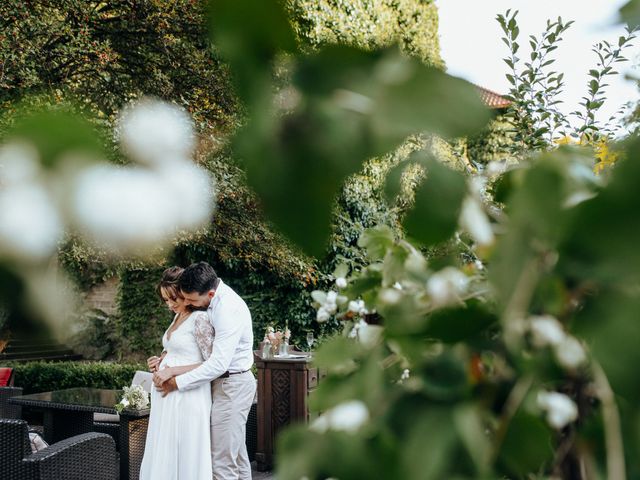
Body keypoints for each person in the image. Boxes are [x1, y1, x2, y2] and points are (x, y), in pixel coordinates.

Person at [155, 261, 256, 480]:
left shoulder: (227, 309)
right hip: (224, 383)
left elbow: (218, 363)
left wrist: (176, 381)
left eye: (191, 300)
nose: (188, 304)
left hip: (232, 385)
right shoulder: (211, 302)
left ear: (209, 293)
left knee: (222, 463)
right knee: (236, 456)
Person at [140, 267, 215, 480]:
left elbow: (211, 363)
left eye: (174, 299)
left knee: (186, 448)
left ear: (185, 293)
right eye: (165, 300)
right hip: (167, 397)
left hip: (188, 394)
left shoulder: (200, 319)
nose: (170, 305)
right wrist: (160, 360)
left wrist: (172, 370)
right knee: (166, 447)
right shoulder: (177, 316)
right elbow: (176, 349)